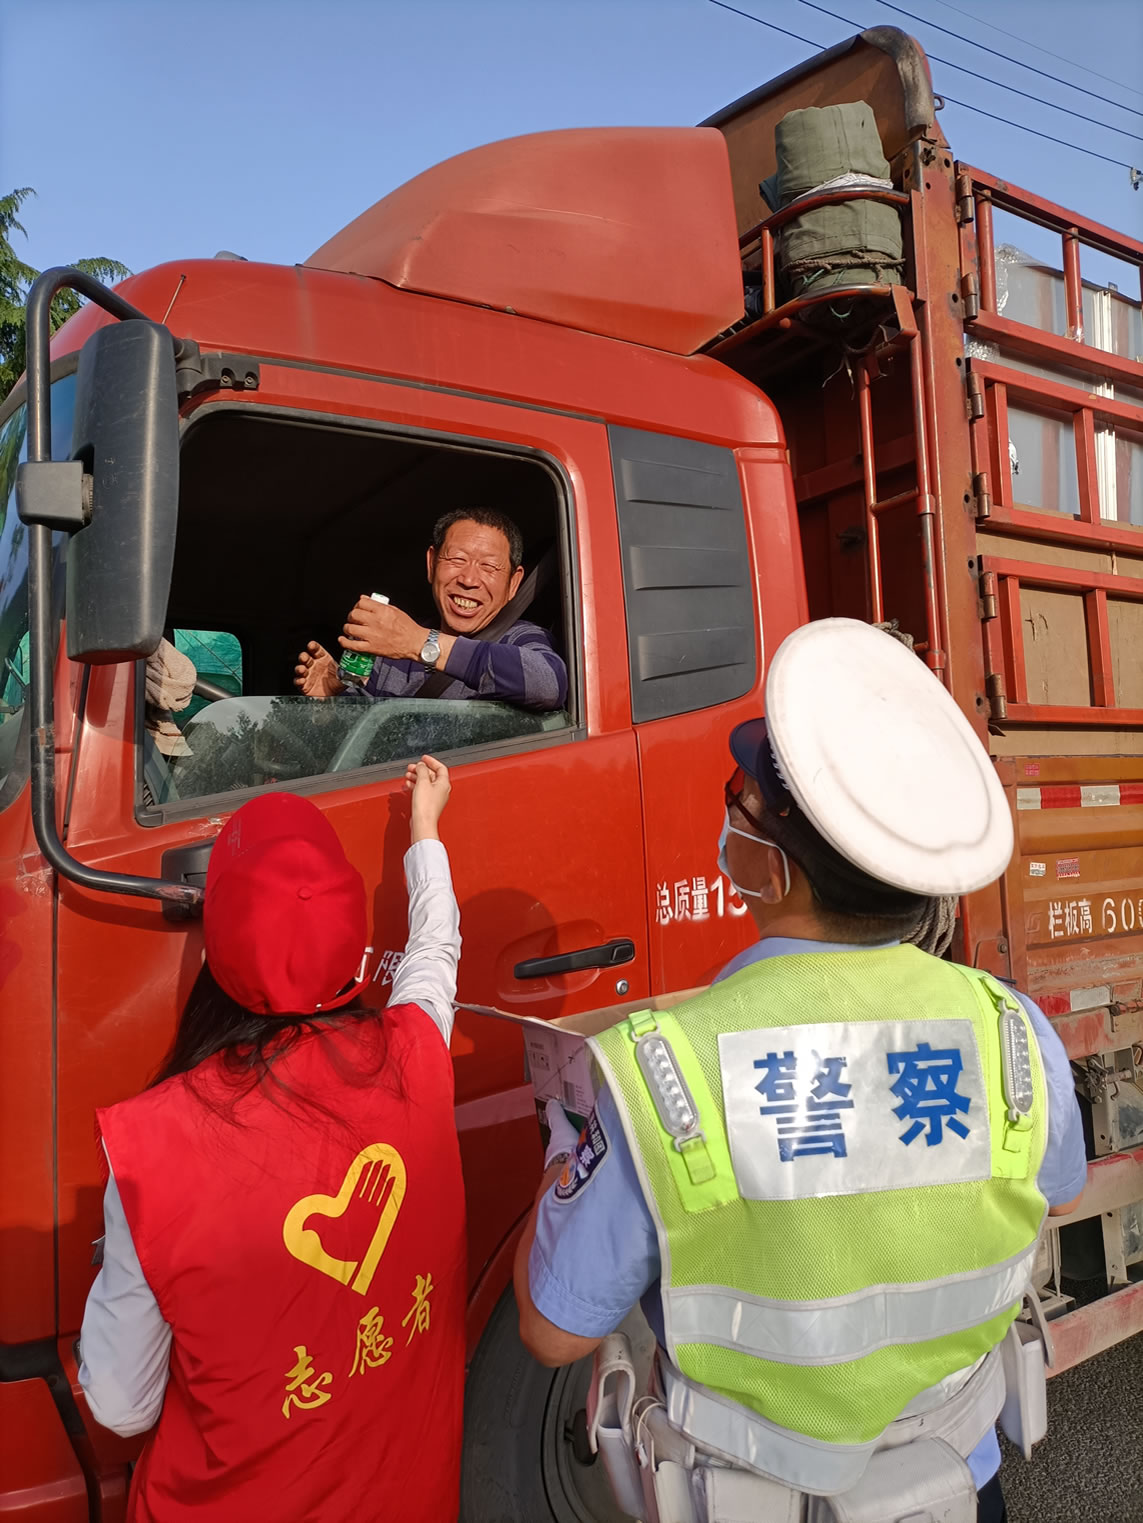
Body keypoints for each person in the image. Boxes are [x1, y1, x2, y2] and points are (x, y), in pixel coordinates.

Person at [514, 619, 1087, 1523]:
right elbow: (1053, 1194)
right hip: (960, 1485)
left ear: (776, 871)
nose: (726, 821)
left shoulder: (665, 1068)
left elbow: (553, 1330)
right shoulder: (1011, 1029)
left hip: (754, 1497)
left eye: (735, 803)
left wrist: (562, 1159)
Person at [79, 756, 465, 1523]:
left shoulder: (153, 1151)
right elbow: (434, 953)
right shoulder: (418, 1056)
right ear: (354, 945)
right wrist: (424, 829)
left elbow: (121, 1406)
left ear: (213, 949)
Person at [295, 507, 567, 712]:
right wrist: (335, 697)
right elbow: (371, 737)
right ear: (431, 564)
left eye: (488, 566)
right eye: (457, 559)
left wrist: (420, 643)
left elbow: (548, 684)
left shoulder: (520, 638)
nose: (469, 580)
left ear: (513, 583)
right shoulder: (391, 652)